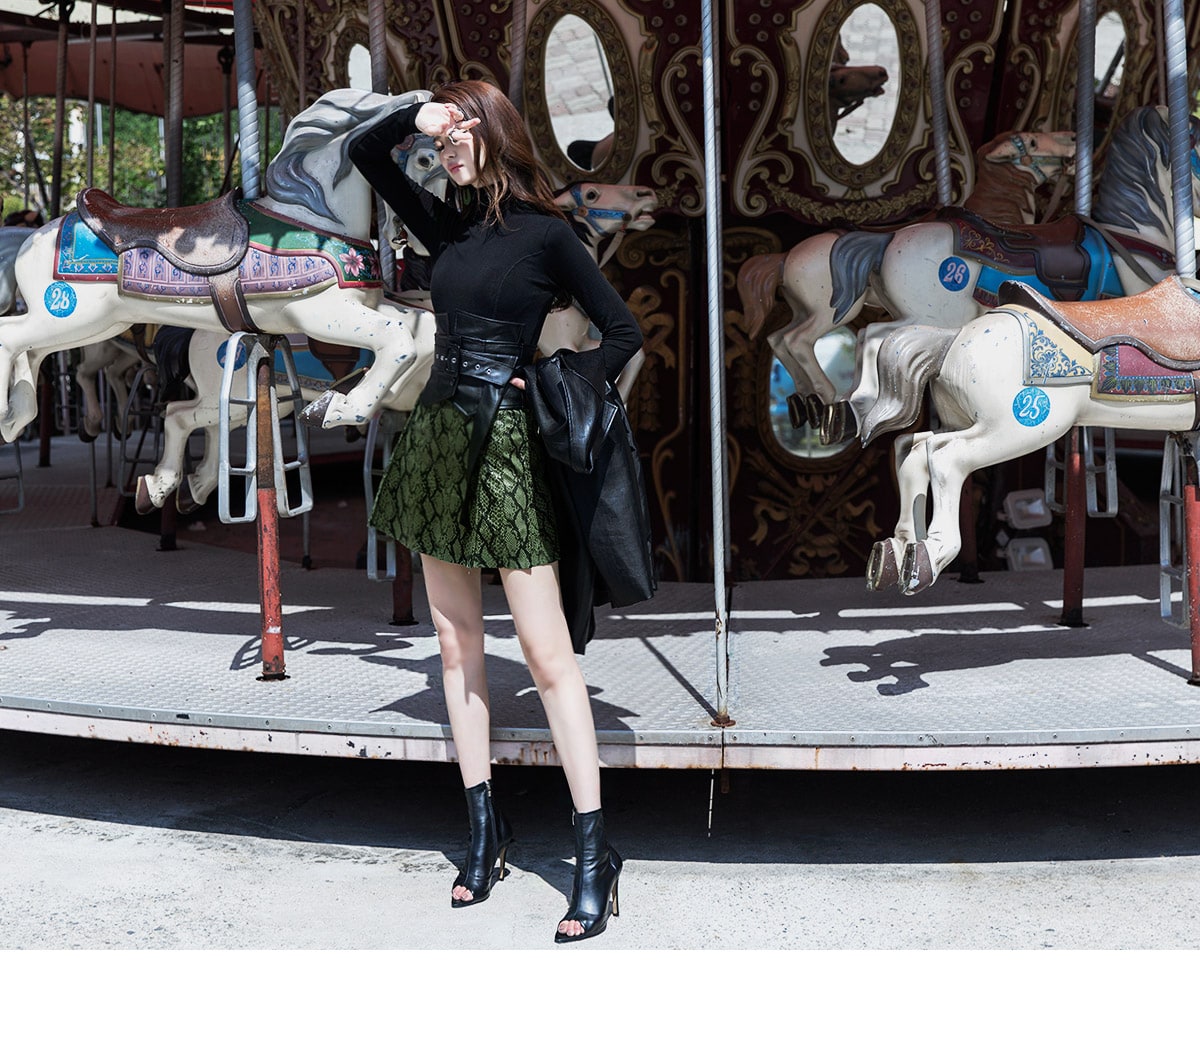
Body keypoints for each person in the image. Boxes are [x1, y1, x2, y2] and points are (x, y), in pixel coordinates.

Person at [349, 79, 645, 944]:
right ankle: (485, 832)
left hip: (509, 446)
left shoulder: (548, 235)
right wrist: (418, 113)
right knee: (455, 647)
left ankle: (594, 853)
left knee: (548, 658)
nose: (446, 149)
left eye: (460, 132)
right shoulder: (446, 225)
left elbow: (621, 332)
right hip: (438, 438)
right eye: (441, 139)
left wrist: (552, 381)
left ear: (497, 133)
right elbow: (366, 152)